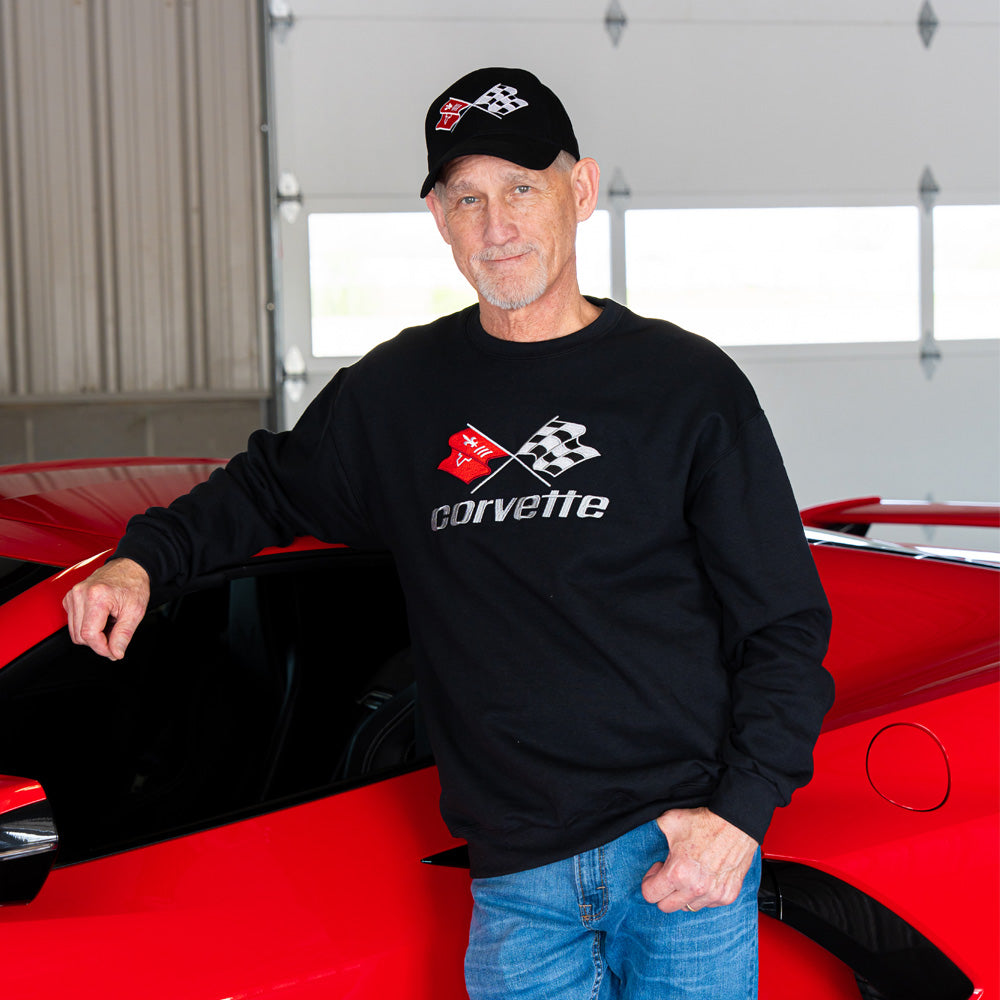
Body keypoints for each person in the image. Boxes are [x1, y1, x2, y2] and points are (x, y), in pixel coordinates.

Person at [65, 67, 834, 999]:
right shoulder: (399, 395)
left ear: (579, 189)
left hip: (680, 861)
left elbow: (786, 624)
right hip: (519, 889)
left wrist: (739, 818)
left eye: (522, 187)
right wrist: (143, 561)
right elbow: (264, 489)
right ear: (438, 217)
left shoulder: (685, 389)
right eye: (467, 196)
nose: (497, 224)